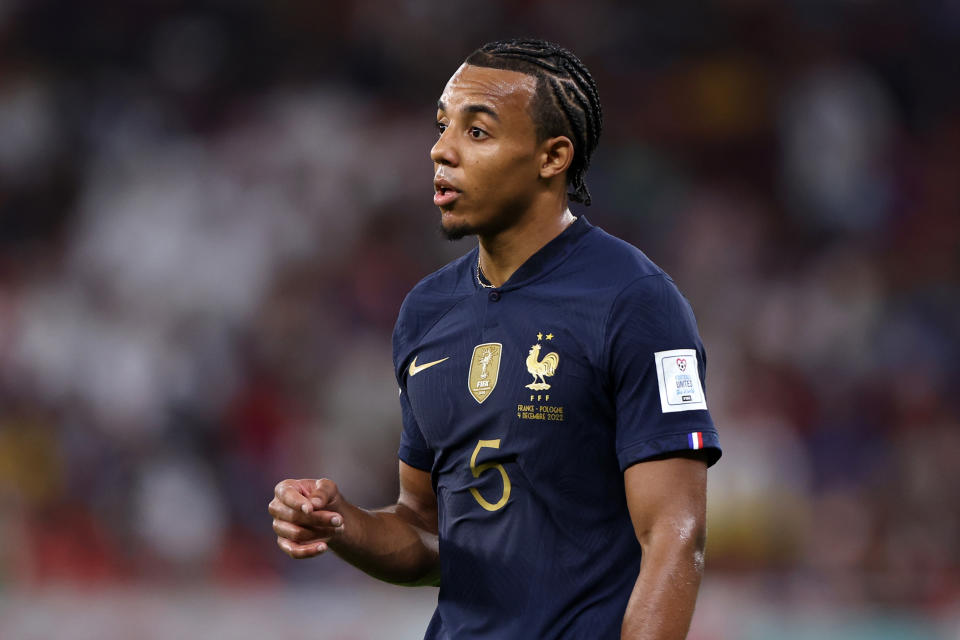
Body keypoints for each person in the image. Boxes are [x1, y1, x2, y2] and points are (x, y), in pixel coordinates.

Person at [269, 38, 721, 639]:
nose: (441, 150)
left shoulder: (638, 302)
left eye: (476, 132)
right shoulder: (426, 313)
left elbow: (674, 536)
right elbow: (427, 531)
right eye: (441, 127)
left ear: (552, 157)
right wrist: (340, 524)